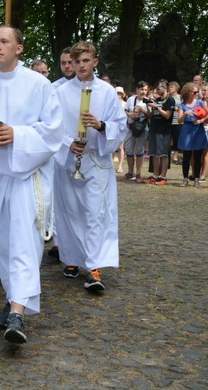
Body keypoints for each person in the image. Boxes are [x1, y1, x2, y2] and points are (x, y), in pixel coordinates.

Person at [0, 25, 63, 344]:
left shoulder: (40, 85)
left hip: (26, 177)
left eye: (4, 41)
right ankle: (11, 296)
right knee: (0, 243)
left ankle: (17, 312)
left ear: (19, 48)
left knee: (23, 241)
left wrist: (18, 134)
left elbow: (53, 129)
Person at [53, 42, 126, 293]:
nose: (81, 66)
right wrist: (67, 143)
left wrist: (101, 125)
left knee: (95, 213)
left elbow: (120, 124)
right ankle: (73, 258)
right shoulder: (60, 93)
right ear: (70, 64)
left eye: (86, 60)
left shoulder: (106, 92)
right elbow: (52, 128)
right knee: (71, 212)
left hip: (96, 161)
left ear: (95, 61)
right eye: (76, 62)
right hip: (69, 160)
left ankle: (94, 268)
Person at [142, 80, 176, 185]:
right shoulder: (157, 100)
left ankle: (163, 177)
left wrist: (156, 107)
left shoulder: (170, 100)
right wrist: (149, 105)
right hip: (154, 129)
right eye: (157, 88)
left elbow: (167, 115)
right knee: (154, 154)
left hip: (163, 131)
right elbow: (152, 116)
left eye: (159, 88)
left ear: (165, 88)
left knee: (163, 154)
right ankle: (155, 175)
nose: (157, 90)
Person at [176, 82, 208, 187]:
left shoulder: (200, 103)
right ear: (187, 92)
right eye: (194, 92)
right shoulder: (182, 105)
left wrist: (201, 120)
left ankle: (196, 179)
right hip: (187, 130)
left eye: (197, 92)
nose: (196, 94)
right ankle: (185, 179)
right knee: (186, 156)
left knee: (198, 155)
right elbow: (179, 121)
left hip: (198, 130)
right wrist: (185, 113)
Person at [121, 81, 149, 182]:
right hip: (130, 127)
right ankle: (130, 172)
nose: (143, 92)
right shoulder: (131, 99)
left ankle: (138, 174)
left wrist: (143, 111)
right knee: (129, 150)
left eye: (145, 90)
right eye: (142, 89)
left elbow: (150, 116)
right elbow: (124, 110)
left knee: (139, 151)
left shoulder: (148, 101)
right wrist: (130, 115)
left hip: (142, 128)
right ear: (137, 89)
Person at [169, 81, 182, 165]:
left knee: (176, 138)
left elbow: (183, 107)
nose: (170, 88)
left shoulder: (181, 97)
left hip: (177, 121)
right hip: (168, 120)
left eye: (171, 87)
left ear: (176, 88)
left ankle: (175, 156)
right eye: (169, 87)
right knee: (168, 138)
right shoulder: (167, 97)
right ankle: (168, 155)